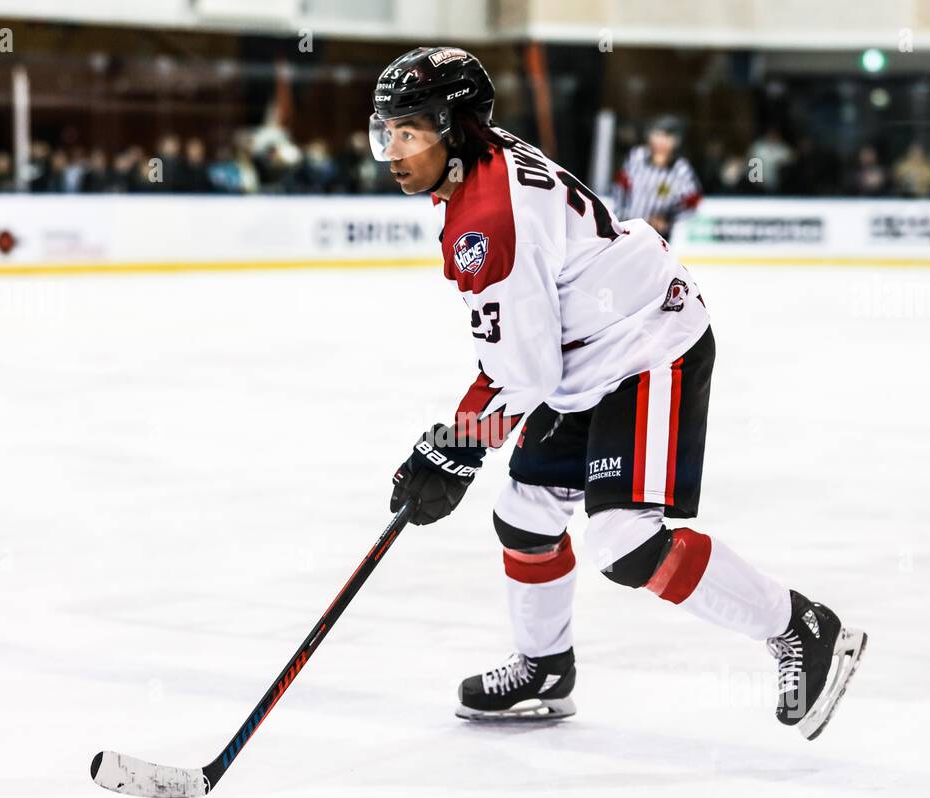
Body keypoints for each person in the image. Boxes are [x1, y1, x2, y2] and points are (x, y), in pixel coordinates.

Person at [371, 47, 867, 737]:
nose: (392, 150)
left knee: (625, 541)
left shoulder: (489, 216)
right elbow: (531, 360)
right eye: (385, 131)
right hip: (589, 357)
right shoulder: (480, 167)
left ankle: (803, 627)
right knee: (525, 514)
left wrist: (455, 445)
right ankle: (545, 668)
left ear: (455, 129)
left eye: (410, 131)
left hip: (646, 346)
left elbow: (524, 372)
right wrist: (458, 446)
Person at [613, 115, 701, 239]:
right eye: (657, 135)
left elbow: (692, 202)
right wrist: (621, 214)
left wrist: (668, 219)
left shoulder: (680, 169)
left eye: (668, 137)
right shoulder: (636, 157)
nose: (661, 141)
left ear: (676, 141)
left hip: (657, 236)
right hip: (627, 229)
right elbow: (621, 187)